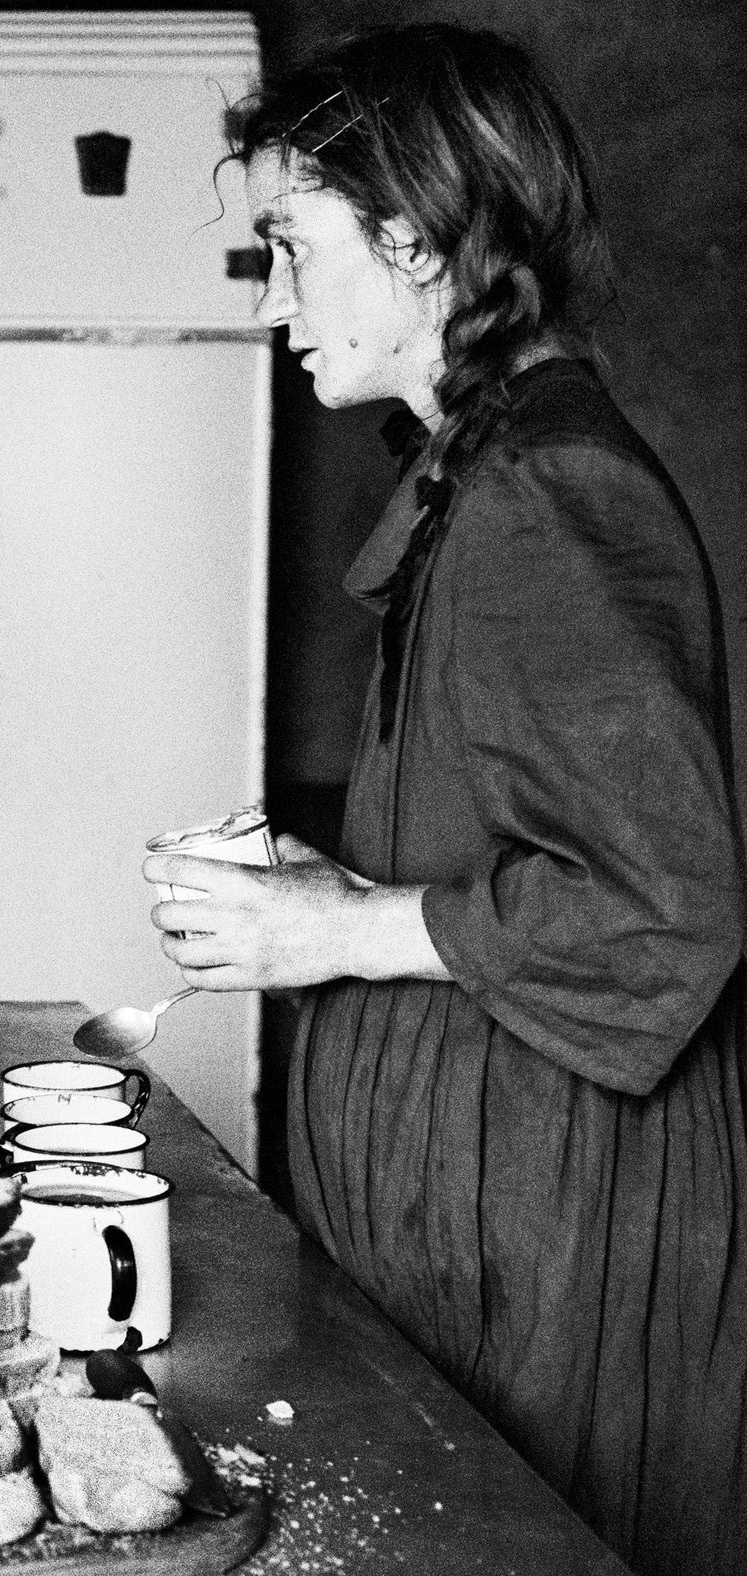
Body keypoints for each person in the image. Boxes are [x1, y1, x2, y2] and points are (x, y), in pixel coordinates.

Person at [138, 27, 746, 1575]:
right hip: (484, 1225)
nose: (270, 295)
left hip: (557, 1237)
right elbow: (514, 834)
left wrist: (338, 927)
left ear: (411, 234)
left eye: (290, 242)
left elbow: (662, 911)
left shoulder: (550, 493)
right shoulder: (487, 469)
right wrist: (313, 883)